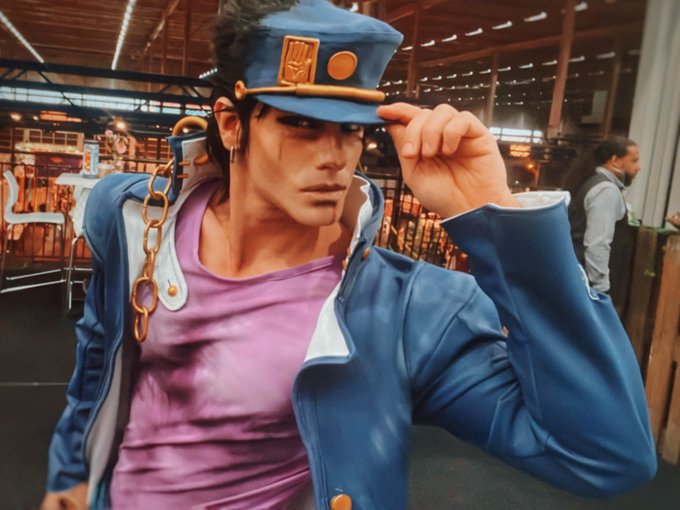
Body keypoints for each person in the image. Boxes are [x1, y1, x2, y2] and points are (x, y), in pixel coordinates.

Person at [42, 1, 655, 509]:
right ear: (231, 125)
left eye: (352, 130)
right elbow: (99, 362)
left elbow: (605, 455)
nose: (334, 157)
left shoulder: (406, 311)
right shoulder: (133, 220)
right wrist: (70, 480)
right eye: (301, 126)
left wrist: (499, 219)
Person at [565, 137, 641, 297]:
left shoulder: (588, 181)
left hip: (575, 277)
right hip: (588, 285)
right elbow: (597, 244)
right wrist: (601, 289)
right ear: (615, 161)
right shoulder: (606, 190)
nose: (638, 167)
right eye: (634, 161)